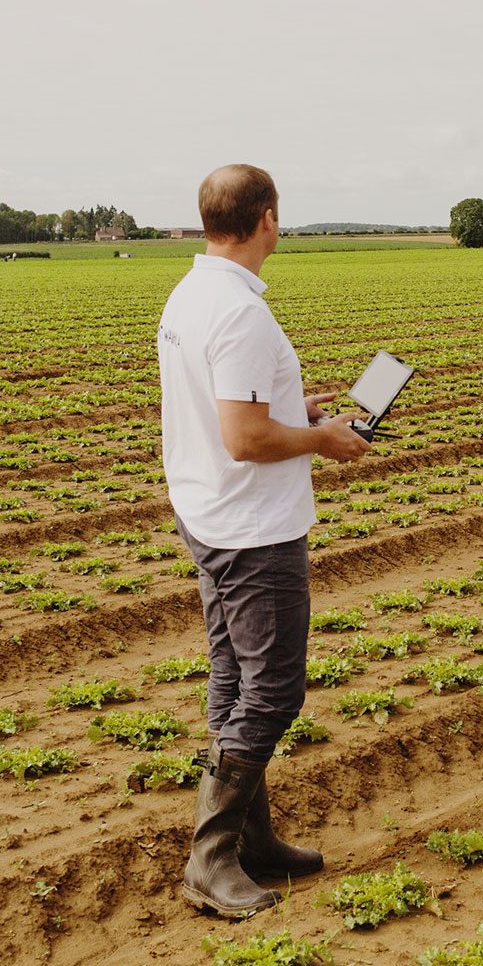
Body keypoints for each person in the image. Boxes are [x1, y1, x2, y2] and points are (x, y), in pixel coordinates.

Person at [157, 163, 370, 916]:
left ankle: (254, 842)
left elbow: (231, 408)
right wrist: (322, 437)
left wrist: (293, 405)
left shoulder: (192, 292)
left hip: (207, 510)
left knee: (233, 678)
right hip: (251, 527)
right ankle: (210, 859)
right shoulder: (241, 313)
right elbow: (245, 438)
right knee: (272, 691)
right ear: (268, 219)